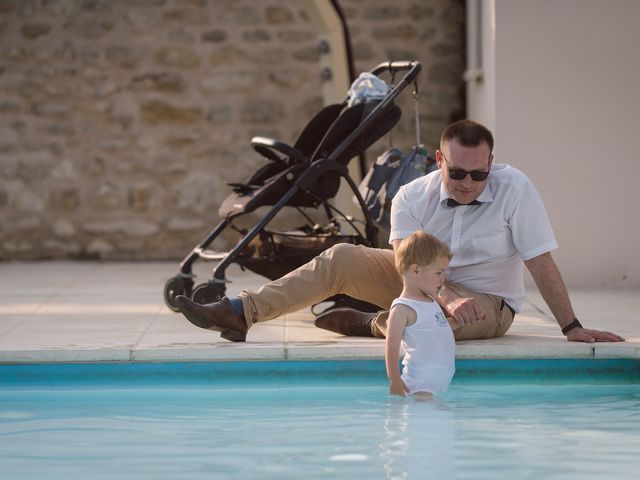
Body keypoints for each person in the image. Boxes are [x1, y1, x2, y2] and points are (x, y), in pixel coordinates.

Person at [175, 119, 625, 345]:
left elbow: (539, 259)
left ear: (490, 164)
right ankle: (241, 312)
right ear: (439, 161)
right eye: (458, 173)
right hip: (421, 282)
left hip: (490, 304)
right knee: (341, 257)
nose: (468, 183)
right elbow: (407, 263)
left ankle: (370, 324)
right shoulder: (411, 195)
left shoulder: (516, 188)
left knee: (436, 323)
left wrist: (571, 326)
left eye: (478, 174)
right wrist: (445, 293)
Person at [385, 231, 458, 399]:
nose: (443, 279)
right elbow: (392, 344)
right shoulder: (403, 308)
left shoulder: (431, 301)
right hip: (419, 385)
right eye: (438, 273)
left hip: (435, 383)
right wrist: (394, 379)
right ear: (416, 270)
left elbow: (436, 327)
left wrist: (459, 321)